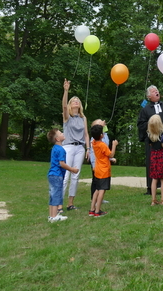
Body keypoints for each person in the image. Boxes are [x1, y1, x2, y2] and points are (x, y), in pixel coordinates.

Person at [61, 78, 90, 212]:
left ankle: (70, 203)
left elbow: (86, 134)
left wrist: (88, 149)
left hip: (80, 148)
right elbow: (63, 107)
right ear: (70, 104)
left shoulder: (83, 118)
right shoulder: (67, 117)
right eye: (73, 100)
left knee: (76, 175)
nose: (76, 101)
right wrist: (66, 91)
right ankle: (59, 204)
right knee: (66, 175)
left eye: (77, 100)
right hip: (68, 147)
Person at [47, 128, 79, 222]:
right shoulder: (61, 149)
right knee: (56, 195)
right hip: (57, 175)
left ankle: (51, 215)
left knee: (53, 195)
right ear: (57, 139)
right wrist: (72, 169)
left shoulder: (55, 148)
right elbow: (62, 163)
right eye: (60, 133)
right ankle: (54, 217)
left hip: (52, 175)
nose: (63, 133)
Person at [89, 124, 118, 217]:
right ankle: (97, 211)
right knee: (102, 190)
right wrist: (114, 145)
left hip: (97, 169)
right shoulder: (102, 145)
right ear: (101, 135)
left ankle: (92, 209)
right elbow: (111, 155)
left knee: (97, 190)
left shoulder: (93, 142)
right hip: (103, 170)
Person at [147, 114, 163, 206]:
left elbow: (150, 145)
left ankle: (153, 200)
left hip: (153, 155)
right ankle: (162, 200)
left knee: (154, 179)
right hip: (162, 154)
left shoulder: (149, 134)